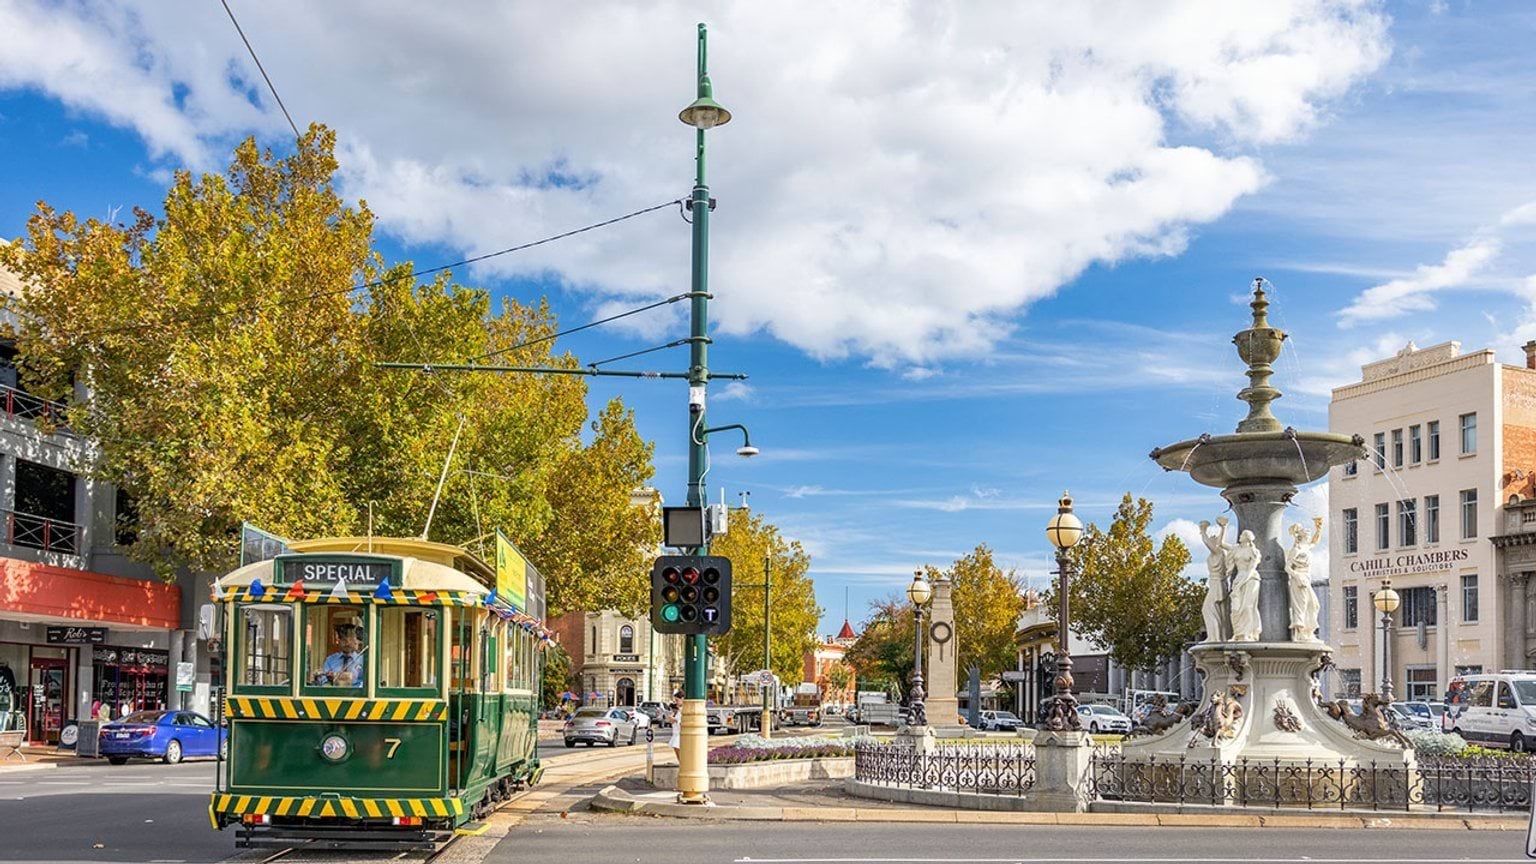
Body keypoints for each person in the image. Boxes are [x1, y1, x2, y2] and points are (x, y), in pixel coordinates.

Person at [1228, 530, 1263, 642]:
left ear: (1248, 538)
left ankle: (1247, 634)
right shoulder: (1235, 549)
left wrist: (1240, 585)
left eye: (1243, 534)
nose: (1240, 536)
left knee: (1247, 607)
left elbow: (1251, 570)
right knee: (1235, 608)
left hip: (1251, 579)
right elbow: (1220, 544)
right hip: (1239, 578)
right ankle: (1238, 633)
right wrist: (1223, 528)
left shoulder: (1254, 551)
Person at [313, 623, 366, 687]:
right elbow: (323, 682)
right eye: (344, 640)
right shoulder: (330, 660)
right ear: (339, 641)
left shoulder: (363, 661)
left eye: (351, 640)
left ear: (357, 642)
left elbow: (367, 682)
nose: (348, 643)